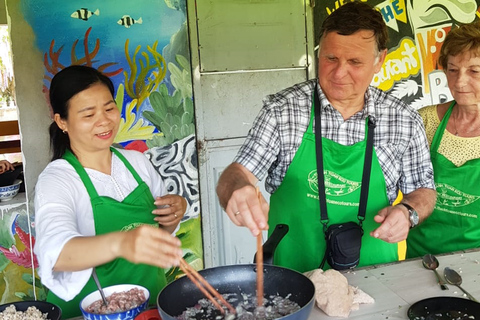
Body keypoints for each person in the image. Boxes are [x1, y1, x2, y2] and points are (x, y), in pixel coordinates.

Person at [216, 1, 436, 273]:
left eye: (355, 62)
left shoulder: (403, 120)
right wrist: (236, 190)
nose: (339, 73)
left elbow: (424, 190)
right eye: (331, 58)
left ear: (380, 60)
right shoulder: (283, 111)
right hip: (293, 277)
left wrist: (408, 213)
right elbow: (238, 173)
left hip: (377, 274)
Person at [33, 65, 186, 318]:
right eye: (88, 114)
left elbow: (160, 233)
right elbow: (56, 254)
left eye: (109, 108)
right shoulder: (57, 179)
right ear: (62, 121)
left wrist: (173, 215)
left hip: (148, 308)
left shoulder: (137, 163)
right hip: (87, 314)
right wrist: (121, 242)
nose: (104, 121)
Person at [407, 21, 480, 258]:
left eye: (474, 71)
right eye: (452, 70)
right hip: (420, 258)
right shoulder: (425, 121)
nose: (459, 82)